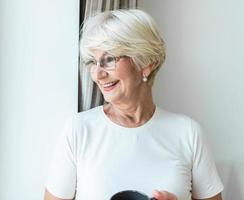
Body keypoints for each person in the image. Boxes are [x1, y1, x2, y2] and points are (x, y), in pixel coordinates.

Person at [44, 9, 224, 200]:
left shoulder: (188, 133)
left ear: (146, 62)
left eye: (109, 59)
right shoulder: (78, 130)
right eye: (93, 62)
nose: (97, 74)